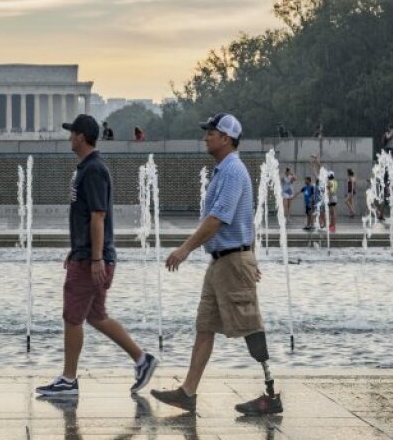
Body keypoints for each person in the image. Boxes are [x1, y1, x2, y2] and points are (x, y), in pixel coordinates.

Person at [150, 113, 282, 415]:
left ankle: (270, 393)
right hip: (222, 262)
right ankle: (188, 392)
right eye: (208, 131)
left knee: (250, 326)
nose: (206, 136)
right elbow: (243, 218)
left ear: (226, 139)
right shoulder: (223, 171)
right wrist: (251, 254)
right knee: (205, 326)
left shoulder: (233, 171)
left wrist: (185, 249)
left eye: (212, 132)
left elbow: (218, 219)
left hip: (233, 262)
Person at [36, 114, 158, 397]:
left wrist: (94, 258)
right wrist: (79, 249)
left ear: (81, 136)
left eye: (72, 133)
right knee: (96, 315)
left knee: (73, 316)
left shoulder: (93, 169)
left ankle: (68, 379)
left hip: (92, 259)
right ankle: (142, 360)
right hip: (88, 254)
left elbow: (98, 216)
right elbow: (87, 217)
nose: (69, 137)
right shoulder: (88, 168)